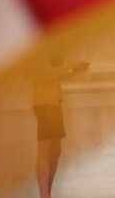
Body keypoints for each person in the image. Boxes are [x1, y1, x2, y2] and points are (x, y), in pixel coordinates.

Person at [30, 55, 89, 198]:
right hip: (44, 103)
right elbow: (46, 73)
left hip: (54, 103)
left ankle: (47, 192)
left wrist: (77, 70)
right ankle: (44, 194)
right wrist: (72, 64)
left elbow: (56, 75)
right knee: (45, 147)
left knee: (56, 149)